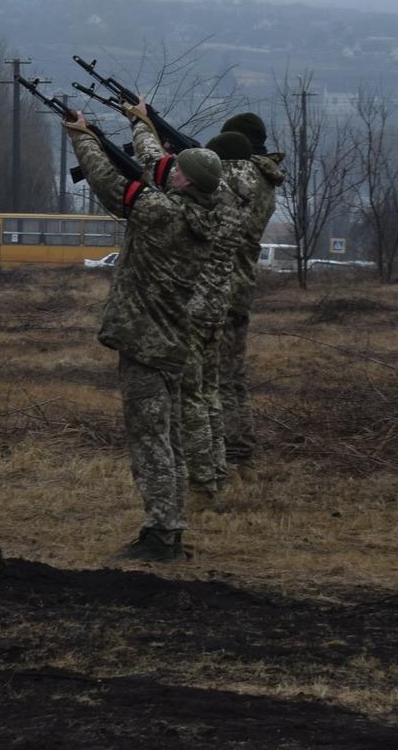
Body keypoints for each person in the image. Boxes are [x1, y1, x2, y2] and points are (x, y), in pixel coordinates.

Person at [63, 108, 227, 562]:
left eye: (176, 172)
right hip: (173, 344)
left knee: (152, 443)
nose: (167, 171)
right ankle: (170, 530)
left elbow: (111, 185)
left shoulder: (163, 214)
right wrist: (140, 122)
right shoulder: (209, 211)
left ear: (185, 184)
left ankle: (161, 536)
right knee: (169, 442)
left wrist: (83, 138)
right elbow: (157, 163)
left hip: (145, 343)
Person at [124, 104, 248, 512]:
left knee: (191, 399)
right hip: (217, 306)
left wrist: (142, 124)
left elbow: (153, 161)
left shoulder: (202, 200)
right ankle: (215, 472)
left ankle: (201, 487)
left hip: (190, 308)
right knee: (208, 394)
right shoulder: (233, 197)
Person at [208, 113, 285, 471]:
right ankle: (240, 447)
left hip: (221, 286)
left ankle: (230, 450)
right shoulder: (264, 179)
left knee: (218, 376)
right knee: (233, 376)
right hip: (240, 287)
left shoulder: (242, 178)